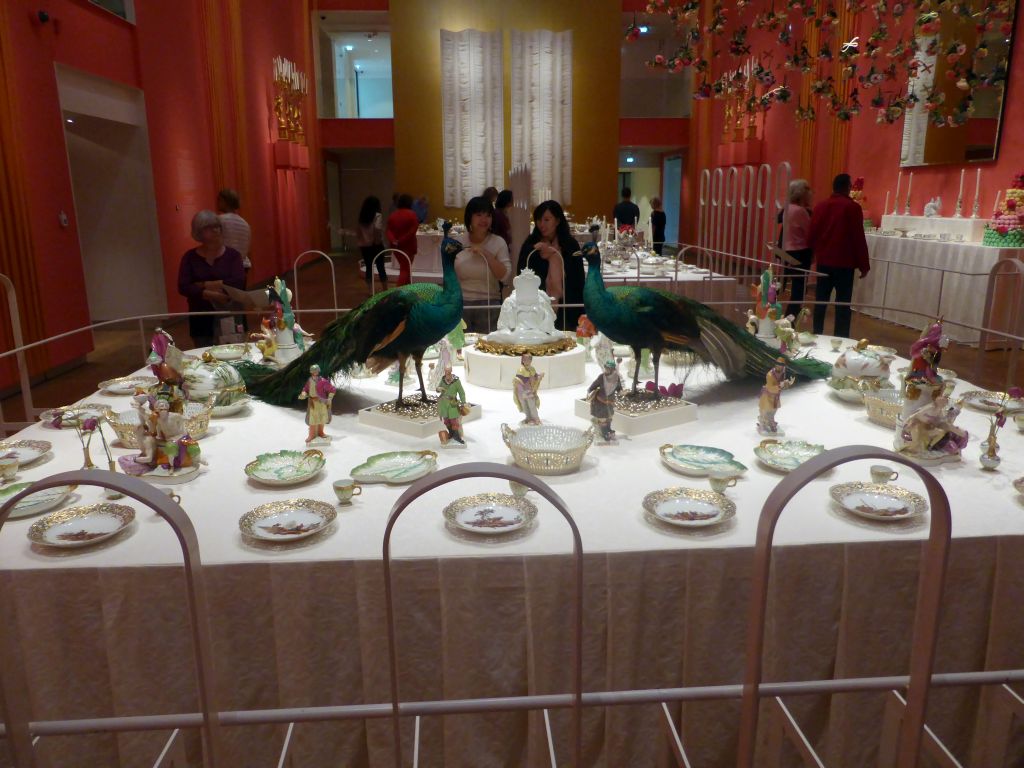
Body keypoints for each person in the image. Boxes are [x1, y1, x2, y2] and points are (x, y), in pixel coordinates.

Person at [807, 173, 870, 338]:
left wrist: (811, 253)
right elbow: (858, 238)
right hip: (844, 264)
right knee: (842, 304)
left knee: (820, 301)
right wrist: (864, 265)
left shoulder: (821, 206)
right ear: (848, 188)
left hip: (824, 261)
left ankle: (817, 334)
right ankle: (841, 339)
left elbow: (812, 233)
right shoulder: (853, 208)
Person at [177, 210, 245, 348]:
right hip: (201, 317)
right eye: (209, 227)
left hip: (230, 313)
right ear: (199, 232)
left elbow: (238, 282)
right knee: (204, 355)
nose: (216, 230)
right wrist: (210, 293)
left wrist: (202, 285)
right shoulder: (190, 257)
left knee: (234, 353)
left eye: (217, 226)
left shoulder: (233, 255)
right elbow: (183, 286)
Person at [516, 200, 584, 330]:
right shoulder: (531, 247)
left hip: (567, 306)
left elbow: (578, 279)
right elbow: (521, 275)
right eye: (539, 220)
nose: (542, 224)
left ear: (557, 221)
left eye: (547, 220)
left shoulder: (570, 245)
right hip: (537, 308)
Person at [456, 196, 511, 332]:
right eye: (479, 215)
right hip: (461, 303)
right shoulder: (457, 243)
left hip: (489, 303)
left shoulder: (498, 242)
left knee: (487, 347)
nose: (484, 220)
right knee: (460, 348)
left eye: (488, 215)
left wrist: (486, 253)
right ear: (470, 217)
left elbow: (504, 276)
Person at [781, 179, 813, 318]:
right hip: (800, 252)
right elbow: (810, 232)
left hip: (787, 250)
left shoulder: (787, 208)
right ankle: (791, 317)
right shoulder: (800, 211)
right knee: (799, 289)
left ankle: (789, 315)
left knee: (795, 286)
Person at [217, 189, 251, 279]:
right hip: (242, 266)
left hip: (225, 266)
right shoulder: (245, 223)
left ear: (225, 201)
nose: (217, 203)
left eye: (219, 200)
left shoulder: (219, 220)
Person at [385, 194, 419, 286]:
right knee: (405, 269)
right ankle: (398, 292)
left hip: (396, 247)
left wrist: (394, 240)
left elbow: (388, 230)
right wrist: (401, 240)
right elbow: (412, 231)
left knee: (405, 268)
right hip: (408, 246)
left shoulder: (393, 215)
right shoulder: (412, 214)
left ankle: (406, 290)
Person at [298, 364, 335, 444]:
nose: (315, 372)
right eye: (313, 371)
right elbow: (306, 388)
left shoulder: (323, 381)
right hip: (313, 402)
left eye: (316, 371)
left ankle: (321, 432)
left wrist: (329, 398)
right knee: (313, 420)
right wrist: (304, 393)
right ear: (311, 372)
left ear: (318, 371)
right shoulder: (309, 380)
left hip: (321, 402)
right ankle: (311, 435)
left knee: (322, 418)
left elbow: (332, 389)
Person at [757, 358, 795, 435]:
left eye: (781, 365)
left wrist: (788, 383)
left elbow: (782, 386)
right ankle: (762, 425)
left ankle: (770, 422)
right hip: (767, 396)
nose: (779, 367)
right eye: (778, 365)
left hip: (776, 396)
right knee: (765, 411)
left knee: (773, 411)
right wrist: (780, 385)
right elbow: (770, 387)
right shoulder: (770, 375)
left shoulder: (783, 373)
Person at [357, 196, 387, 290]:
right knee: (380, 266)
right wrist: (378, 241)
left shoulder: (362, 217)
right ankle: (385, 289)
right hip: (376, 244)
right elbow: (377, 229)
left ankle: (370, 290)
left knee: (369, 266)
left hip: (365, 245)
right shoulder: (377, 215)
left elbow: (359, 231)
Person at [588, 359, 623, 441]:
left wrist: (621, 392)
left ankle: (609, 430)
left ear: (613, 369)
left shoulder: (616, 378)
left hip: (610, 402)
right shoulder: (601, 377)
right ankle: (605, 433)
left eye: (609, 368)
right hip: (600, 402)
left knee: (609, 417)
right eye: (606, 368)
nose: (607, 370)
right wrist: (590, 390)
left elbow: (619, 388)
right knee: (602, 419)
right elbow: (594, 385)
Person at [436, 366, 467, 445]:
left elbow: (461, 392)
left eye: (449, 371)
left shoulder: (456, 381)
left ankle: (456, 436)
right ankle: (451, 433)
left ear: (451, 371)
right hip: (443, 404)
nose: (447, 372)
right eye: (446, 371)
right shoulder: (443, 380)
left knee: (454, 421)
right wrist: (438, 389)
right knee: (446, 420)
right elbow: (438, 388)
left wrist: (463, 402)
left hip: (452, 403)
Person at [513, 353, 543, 424]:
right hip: (522, 392)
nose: (528, 361)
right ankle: (528, 418)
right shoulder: (520, 370)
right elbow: (518, 382)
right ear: (522, 360)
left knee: (532, 405)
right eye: (526, 359)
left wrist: (539, 376)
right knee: (525, 406)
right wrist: (522, 392)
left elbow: (535, 376)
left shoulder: (532, 369)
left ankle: (535, 418)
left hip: (530, 390)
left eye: (529, 359)